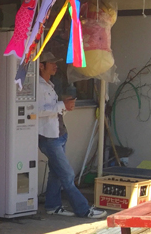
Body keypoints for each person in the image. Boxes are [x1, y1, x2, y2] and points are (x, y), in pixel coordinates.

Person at [37, 52, 105, 218]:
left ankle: (53, 205)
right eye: (51, 63)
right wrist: (62, 105)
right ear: (41, 66)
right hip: (49, 138)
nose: (55, 65)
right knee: (67, 174)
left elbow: (54, 111)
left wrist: (65, 106)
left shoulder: (49, 85)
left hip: (59, 134)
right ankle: (83, 209)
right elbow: (37, 111)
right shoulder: (37, 86)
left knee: (56, 172)